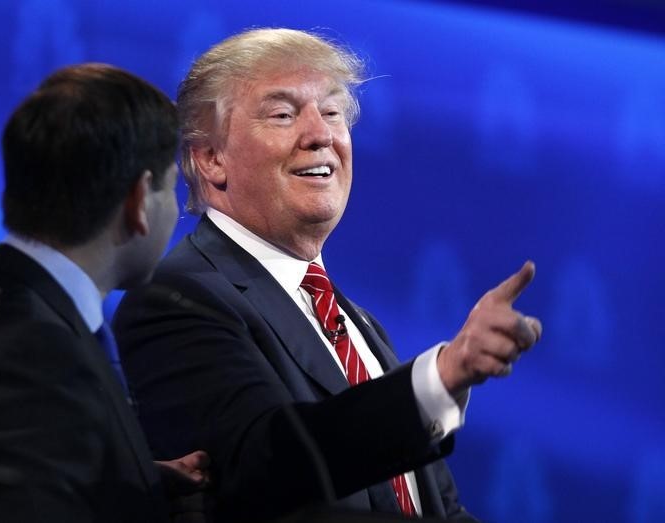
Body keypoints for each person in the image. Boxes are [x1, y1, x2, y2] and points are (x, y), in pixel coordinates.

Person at [113, 29, 541, 522]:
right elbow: (269, 467)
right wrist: (440, 377)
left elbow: (437, 511)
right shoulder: (176, 298)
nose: (322, 135)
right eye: (283, 114)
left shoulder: (358, 323)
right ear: (211, 159)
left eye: (333, 113)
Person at [0, 63, 209, 522]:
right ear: (138, 201)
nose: (177, 211)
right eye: (173, 188)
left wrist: (132, 482)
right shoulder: (36, 357)